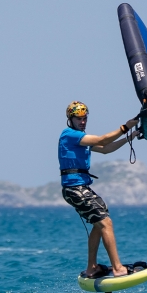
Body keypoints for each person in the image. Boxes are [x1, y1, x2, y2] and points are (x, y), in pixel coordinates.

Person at [59, 101, 139, 278]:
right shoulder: (69, 135)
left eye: (85, 118)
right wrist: (125, 127)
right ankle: (118, 268)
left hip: (81, 187)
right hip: (74, 188)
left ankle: (92, 268)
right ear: (70, 119)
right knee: (105, 223)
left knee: (100, 223)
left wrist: (132, 135)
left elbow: (106, 148)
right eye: (78, 119)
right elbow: (103, 140)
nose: (82, 122)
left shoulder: (81, 138)